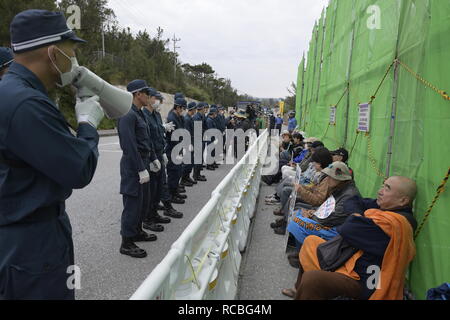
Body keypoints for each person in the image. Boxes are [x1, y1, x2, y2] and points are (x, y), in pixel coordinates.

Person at [0, 9, 105, 299]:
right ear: (52, 52)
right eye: (70, 51)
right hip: (33, 243)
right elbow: (78, 169)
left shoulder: (14, 92)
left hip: (25, 233)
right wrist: (87, 125)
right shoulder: (25, 103)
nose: (73, 60)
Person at [282, 176, 417, 300]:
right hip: (348, 258)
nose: (380, 191)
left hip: (365, 279)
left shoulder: (396, 224)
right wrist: (358, 216)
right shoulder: (382, 207)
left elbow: (348, 229)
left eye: (387, 188)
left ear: (403, 200)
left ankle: (308, 291)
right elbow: (352, 202)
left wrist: (356, 219)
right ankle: (299, 289)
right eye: (383, 185)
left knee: (313, 280)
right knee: (311, 241)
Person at [285, 162, 360, 267]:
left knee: (298, 221)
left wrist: (311, 216)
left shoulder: (349, 196)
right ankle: (302, 253)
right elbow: (327, 208)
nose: (328, 179)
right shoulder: (340, 189)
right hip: (332, 223)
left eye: (331, 177)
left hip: (338, 232)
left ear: (341, 179)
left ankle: (308, 256)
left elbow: (333, 218)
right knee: (299, 214)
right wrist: (313, 212)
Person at [118, 80, 159, 258]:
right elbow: (129, 146)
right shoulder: (127, 114)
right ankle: (126, 242)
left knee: (143, 201)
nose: (149, 97)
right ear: (137, 94)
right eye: (146, 93)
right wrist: (140, 168)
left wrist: (153, 158)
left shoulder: (140, 114)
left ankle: (137, 231)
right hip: (133, 165)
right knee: (133, 203)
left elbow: (145, 141)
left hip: (143, 162)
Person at [143, 88, 183, 224]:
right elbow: (147, 139)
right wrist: (153, 157)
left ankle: (154, 213)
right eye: (157, 98)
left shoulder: (156, 114)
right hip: (151, 156)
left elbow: (159, 134)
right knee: (152, 188)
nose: (159, 102)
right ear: (149, 98)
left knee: (160, 185)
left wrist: (162, 153)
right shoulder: (144, 115)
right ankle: (149, 216)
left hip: (159, 153)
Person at [271, 148, 334, 235]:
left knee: (291, 195)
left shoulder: (326, 178)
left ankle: (285, 223)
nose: (313, 165)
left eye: (314, 163)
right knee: (290, 193)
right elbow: (313, 188)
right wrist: (301, 187)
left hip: (316, 206)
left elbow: (317, 200)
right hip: (313, 200)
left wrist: (301, 189)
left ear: (319, 164)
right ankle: (285, 218)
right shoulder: (323, 175)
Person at [166, 97, 188, 201]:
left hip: (178, 148)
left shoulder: (178, 117)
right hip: (173, 149)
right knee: (173, 173)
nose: (183, 111)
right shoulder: (172, 118)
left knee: (178, 171)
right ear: (178, 107)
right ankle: (171, 194)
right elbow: (173, 137)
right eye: (183, 108)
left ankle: (175, 191)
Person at [180, 102, 198, 186]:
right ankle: (184, 179)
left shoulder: (190, 118)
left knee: (190, 162)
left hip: (192, 141)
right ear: (192, 109)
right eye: (195, 109)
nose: (195, 110)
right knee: (187, 162)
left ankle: (187, 177)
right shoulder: (187, 119)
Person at [192, 102, 207, 182]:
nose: (205, 109)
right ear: (201, 109)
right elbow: (197, 130)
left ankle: (198, 174)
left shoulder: (202, 116)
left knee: (200, 158)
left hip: (201, 138)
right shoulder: (197, 117)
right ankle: (195, 175)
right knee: (197, 158)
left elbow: (204, 126)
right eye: (204, 108)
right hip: (197, 139)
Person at [205, 106, 219, 170]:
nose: (216, 114)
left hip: (213, 138)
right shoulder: (209, 120)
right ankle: (209, 165)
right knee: (210, 152)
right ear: (213, 113)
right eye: (215, 113)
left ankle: (212, 163)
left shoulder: (211, 120)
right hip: (210, 138)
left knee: (213, 151)